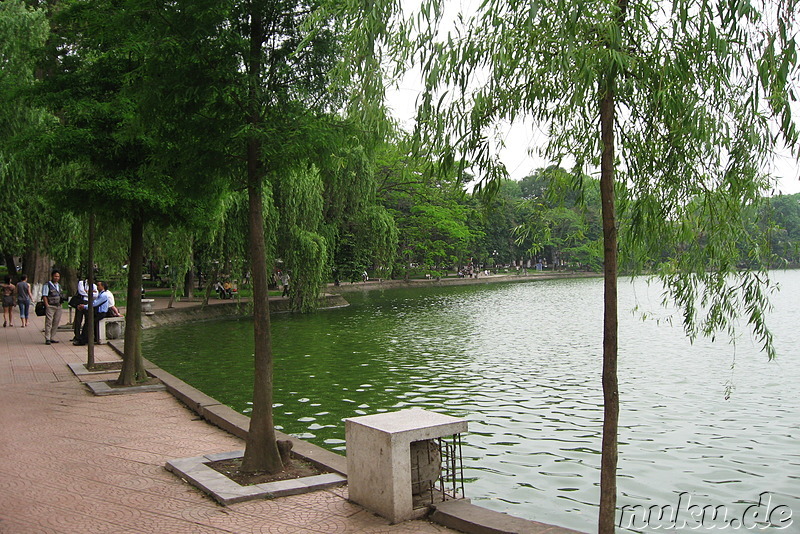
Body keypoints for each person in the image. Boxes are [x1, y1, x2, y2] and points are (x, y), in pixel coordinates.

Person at [74, 280, 110, 345]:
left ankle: (82, 340)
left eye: (99, 285)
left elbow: (95, 303)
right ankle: (88, 338)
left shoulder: (104, 295)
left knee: (88, 323)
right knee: (88, 320)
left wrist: (84, 306)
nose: (97, 287)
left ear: (103, 286)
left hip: (101, 313)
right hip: (98, 313)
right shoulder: (101, 294)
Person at [42, 270, 65, 344]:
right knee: (49, 322)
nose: (57, 278)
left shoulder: (59, 285)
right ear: (52, 276)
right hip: (51, 306)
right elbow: (44, 295)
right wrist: (47, 305)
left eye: (58, 276)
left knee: (56, 322)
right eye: (55, 276)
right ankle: (47, 338)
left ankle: (52, 337)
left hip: (58, 306)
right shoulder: (47, 285)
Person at [72, 278, 97, 342]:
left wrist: (87, 291)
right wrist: (91, 293)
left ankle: (84, 335)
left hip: (89, 303)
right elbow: (81, 292)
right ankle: (77, 336)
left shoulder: (94, 285)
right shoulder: (81, 283)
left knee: (88, 319)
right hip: (81, 302)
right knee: (78, 320)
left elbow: (96, 295)